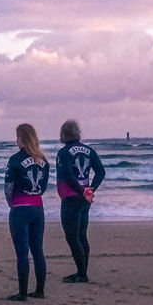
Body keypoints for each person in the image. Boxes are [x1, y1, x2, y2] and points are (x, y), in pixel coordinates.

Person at [56, 119, 106, 283]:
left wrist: (80, 190)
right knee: (81, 234)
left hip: (71, 197)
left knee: (72, 236)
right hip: (85, 197)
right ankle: (82, 270)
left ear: (63, 134)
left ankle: (82, 273)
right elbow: (100, 171)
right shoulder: (89, 150)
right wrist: (91, 188)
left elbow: (67, 175)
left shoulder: (63, 153)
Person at [4, 123, 49, 301]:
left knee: (22, 252)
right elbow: (43, 187)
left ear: (20, 138)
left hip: (20, 208)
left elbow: (8, 187)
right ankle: (40, 290)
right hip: (37, 208)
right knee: (38, 250)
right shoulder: (43, 160)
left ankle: (22, 292)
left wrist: (12, 203)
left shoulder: (15, 160)